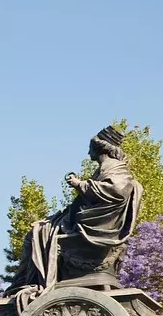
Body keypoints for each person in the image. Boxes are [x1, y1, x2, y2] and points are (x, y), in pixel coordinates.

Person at [11, 126, 144, 303]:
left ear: (100, 148)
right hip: (88, 221)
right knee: (40, 227)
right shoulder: (106, 169)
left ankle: (24, 284)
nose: (88, 152)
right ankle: (25, 282)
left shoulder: (115, 168)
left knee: (35, 235)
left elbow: (117, 191)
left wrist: (79, 184)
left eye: (90, 147)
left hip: (95, 227)